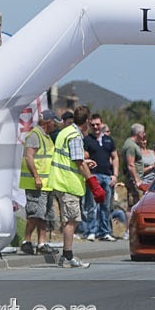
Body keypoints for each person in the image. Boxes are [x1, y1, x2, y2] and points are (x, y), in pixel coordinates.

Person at [49, 105, 105, 268]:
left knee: (69, 220)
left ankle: (66, 255)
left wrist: (84, 162)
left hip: (60, 181)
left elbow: (71, 158)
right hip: (68, 183)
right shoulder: (74, 135)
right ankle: (68, 256)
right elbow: (78, 162)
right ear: (87, 121)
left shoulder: (65, 132)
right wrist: (93, 184)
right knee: (72, 221)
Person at [19, 109, 61, 255]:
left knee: (43, 214)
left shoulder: (47, 137)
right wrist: (36, 177)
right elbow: (29, 157)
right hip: (36, 182)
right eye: (54, 123)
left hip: (46, 183)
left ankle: (41, 243)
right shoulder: (35, 135)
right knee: (35, 213)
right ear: (48, 122)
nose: (55, 126)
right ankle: (27, 241)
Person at [82, 113, 120, 241]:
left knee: (106, 206)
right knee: (92, 205)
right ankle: (91, 230)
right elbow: (84, 156)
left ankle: (104, 231)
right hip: (93, 176)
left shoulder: (109, 140)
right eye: (93, 125)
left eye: (98, 124)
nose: (96, 127)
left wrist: (115, 175)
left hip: (107, 176)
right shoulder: (87, 140)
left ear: (102, 124)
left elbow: (115, 157)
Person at [121, 123, 146, 209]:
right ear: (139, 133)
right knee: (133, 205)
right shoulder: (131, 146)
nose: (144, 135)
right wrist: (137, 180)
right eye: (143, 133)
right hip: (133, 181)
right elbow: (130, 164)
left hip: (136, 180)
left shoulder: (134, 145)